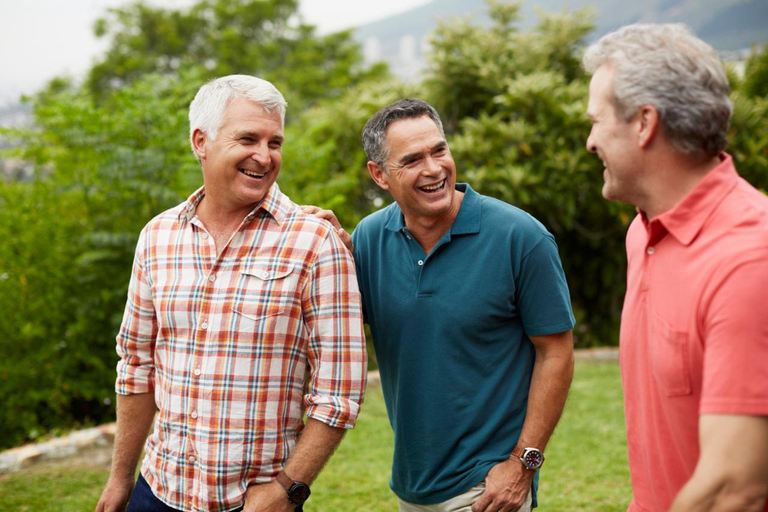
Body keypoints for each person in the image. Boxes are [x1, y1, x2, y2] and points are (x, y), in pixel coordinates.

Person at [95, 75, 368, 512]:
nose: (264, 156)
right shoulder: (157, 236)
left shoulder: (316, 242)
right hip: (157, 491)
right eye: (248, 139)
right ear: (201, 141)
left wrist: (287, 488)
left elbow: (340, 390)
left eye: (274, 142)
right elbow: (136, 366)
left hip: (256, 502)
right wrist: (119, 478)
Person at [305, 98, 575, 512]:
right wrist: (330, 258)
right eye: (412, 160)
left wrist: (524, 464)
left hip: (487, 489)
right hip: (411, 486)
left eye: (439, 150)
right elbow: (334, 329)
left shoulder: (521, 237)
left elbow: (556, 350)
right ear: (379, 175)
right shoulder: (370, 238)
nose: (433, 169)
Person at [583, 23, 768, 512]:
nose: (588, 141)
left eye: (596, 121)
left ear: (645, 123)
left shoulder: (750, 260)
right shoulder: (641, 233)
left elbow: (737, 488)